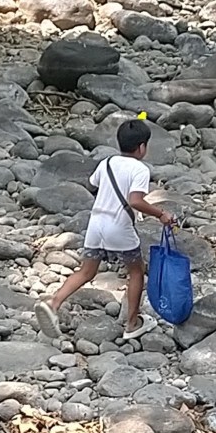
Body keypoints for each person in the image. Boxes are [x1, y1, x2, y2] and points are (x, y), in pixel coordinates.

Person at [36, 116, 174, 342]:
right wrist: (161, 215)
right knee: (136, 272)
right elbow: (135, 201)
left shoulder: (107, 163)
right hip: (119, 226)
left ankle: (53, 303)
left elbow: (95, 183)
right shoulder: (140, 170)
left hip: (96, 223)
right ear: (141, 147)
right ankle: (132, 324)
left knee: (86, 271)